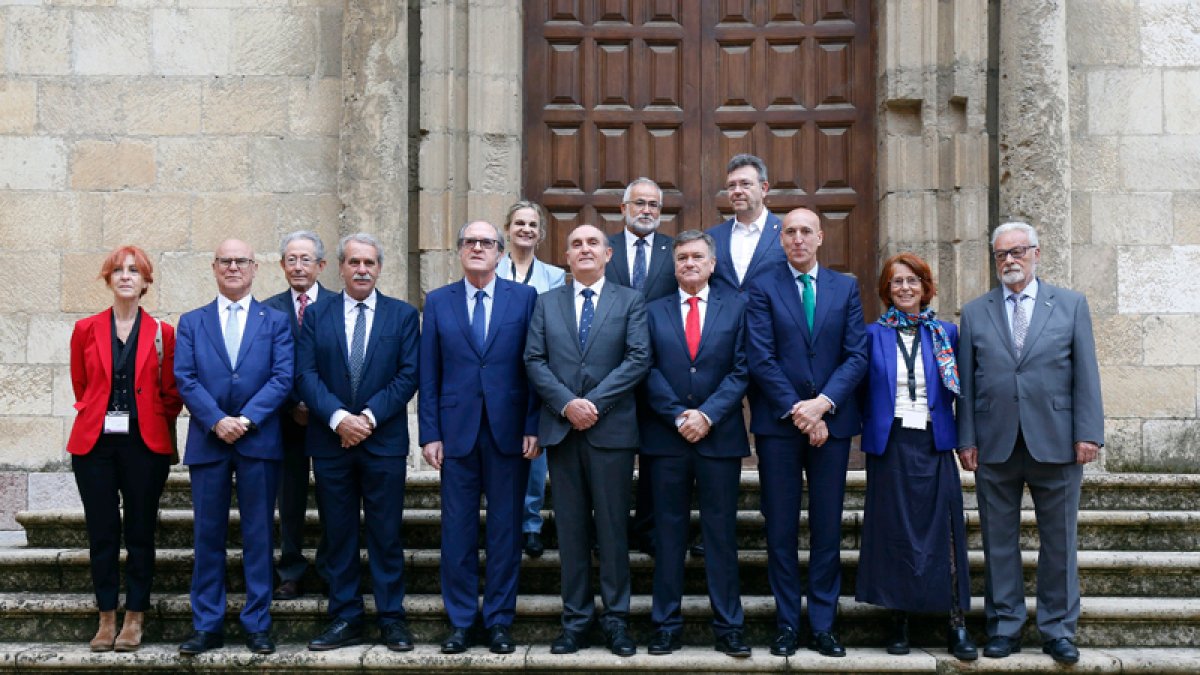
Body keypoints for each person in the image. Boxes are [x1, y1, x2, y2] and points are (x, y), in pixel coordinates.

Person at [957, 221, 1104, 665]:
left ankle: (1058, 630)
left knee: (1059, 541)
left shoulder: (1071, 305)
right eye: (1002, 254)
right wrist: (967, 438)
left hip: (1057, 442)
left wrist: (1088, 433)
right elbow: (966, 383)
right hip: (994, 444)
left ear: (1036, 253)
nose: (1011, 260)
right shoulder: (975, 312)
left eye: (1019, 251)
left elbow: (1086, 374)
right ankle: (1004, 627)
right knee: (999, 541)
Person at [745, 208, 867, 658]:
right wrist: (799, 412)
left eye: (805, 232)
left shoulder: (844, 286)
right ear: (781, 240)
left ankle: (823, 623)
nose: (797, 239)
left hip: (832, 425)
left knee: (826, 528)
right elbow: (760, 356)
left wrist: (823, 406)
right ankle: (786, 623)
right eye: (790, 232)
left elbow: (856, 355)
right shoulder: (763, 287)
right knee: (779, 528)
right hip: (779, 427)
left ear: (820, 237)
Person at [524, 224, 650, 657]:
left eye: (593, 243)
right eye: (576, 244)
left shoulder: (630, 301)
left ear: (608, 253)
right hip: (562, 431)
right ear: (566, 254)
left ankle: (616, 620)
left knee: (614, 529)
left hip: (611, 432)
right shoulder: (545, 304)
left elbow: (638, 358)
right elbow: (534, 360)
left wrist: (591, 404)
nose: (584, 249)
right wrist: (566, 405)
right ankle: (576, 621)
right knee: (572, 531)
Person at [420, 221, 541, 655]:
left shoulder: (524, 298)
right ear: (459, 251)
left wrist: (533, 424)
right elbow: (428, 372)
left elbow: (534, 366)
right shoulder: (438, 302)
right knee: (457, 533)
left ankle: (499, 621)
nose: (477, 248)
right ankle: (460, 622)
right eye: (469, 241)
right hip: (456, 435)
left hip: (510, 434)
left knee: (506, 533)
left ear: (500, 252)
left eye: (486, 243)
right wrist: (429, 433)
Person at [296, 233, 420, 653]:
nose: (362, 270)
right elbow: (305, 375)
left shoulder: (402, 316)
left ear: (380, 268)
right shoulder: (317, 315)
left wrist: (365, 418)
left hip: (382, 442)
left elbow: (407, 376)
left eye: (369, 263)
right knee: (339, 532)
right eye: (354, 263)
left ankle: (391, 618)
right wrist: (338, 419)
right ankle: (345, 616)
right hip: (332, 444)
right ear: (339, 267)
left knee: (386, 533)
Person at [175, 239, 294, 656]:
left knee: (259, 534)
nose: (232, 267)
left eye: (240, 261)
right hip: (209, 441)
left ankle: (257, 622)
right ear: (213, 267)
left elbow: (282, 378)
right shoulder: (192, 322)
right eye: (225, 261)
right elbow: (185, 378)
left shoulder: (275, 321)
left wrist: (244, 420)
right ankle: (207, 624)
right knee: (208, 535)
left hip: (258, 440)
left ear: (254, 268)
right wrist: (217, 420)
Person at [855, 252, 976, 661]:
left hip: (934, 442)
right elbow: (857, 387)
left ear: (926, 287)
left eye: (912, 281)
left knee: (945, 532)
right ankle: (898, 619)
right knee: (893, 532)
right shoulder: (872, 335)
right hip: (890, 447)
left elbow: (965, 391)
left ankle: (956, 624)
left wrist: (967, 440)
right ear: (886, 291)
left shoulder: (946, 333)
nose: (904, 288)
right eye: (896, 282)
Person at [640, 230, 751, 658]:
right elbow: (646, 368)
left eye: (697, 257)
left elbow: (743, 369)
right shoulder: (652, 311)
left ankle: (729, 627)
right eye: (682, 257)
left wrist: (706, 414)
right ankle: (666, 625)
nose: (689, 263)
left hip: (718, 437)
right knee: (668, 536)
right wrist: (677, 415)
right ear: (674, 265)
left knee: (720, 535)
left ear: (712, 264)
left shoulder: (737, 308)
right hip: (666, 440)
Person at [67, 246, 182, 653]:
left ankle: (134, 617)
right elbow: (81, 384)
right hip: (94, 444)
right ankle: (106, 618)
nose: (126, 276)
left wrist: (148, 417)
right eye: (118, 270)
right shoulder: (85, 329)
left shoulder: (163, 333)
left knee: (139, 532)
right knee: (101, 532)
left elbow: (172, 394)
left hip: (144, 444)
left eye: (135, 271)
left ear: (146, 282)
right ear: (108, 279)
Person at [604, 177, 678, 557]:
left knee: (656, 456)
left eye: (653, 205)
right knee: (609, 459)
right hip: (609, 371)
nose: (647, 210)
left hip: (660, 371)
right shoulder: (605, 249)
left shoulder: (674, 250)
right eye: (639, 203)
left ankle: (649, 528)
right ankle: (609, 532)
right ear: (623, 208)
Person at [494, 200, 565, 559]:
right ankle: (502, 520)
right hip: (497, 371)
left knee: (534, 451)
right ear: (507, 229)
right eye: (519, 222)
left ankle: (531, 524)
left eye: (532, 225)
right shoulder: (490, 268)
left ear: (540, 234)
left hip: (537, 371)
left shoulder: (553, 275)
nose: (525, 229)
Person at [263, 231, 330, 601]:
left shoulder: (338, 304)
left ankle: (329, 566)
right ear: (282, 265)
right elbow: (265, 366)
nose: (298, 266)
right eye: (291, 259)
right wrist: (292, 405)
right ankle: (290, 569)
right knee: (289, 501)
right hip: (285, 422)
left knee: (332, 497)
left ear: (320, 265)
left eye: (306, 259)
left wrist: (320, 407)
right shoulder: (268, 309)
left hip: (329, 422)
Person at [706, 153, 786, 295]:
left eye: (745, 184)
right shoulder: (712, 236)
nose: (737, 191)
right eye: (731, 186)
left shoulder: (786, 232)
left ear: (764, 188)